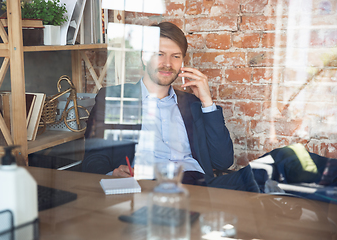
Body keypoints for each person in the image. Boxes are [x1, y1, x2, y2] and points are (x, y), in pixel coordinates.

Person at [83, 22, 259, 192]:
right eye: (159, 54)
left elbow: (222, 162)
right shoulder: (115, 98)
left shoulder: (193, 104)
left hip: (198, 187)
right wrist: (113, 174)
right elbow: (94, 159)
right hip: (147, 186)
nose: (168, 63)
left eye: (175, 56)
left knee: (280, 162)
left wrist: (207, 102)